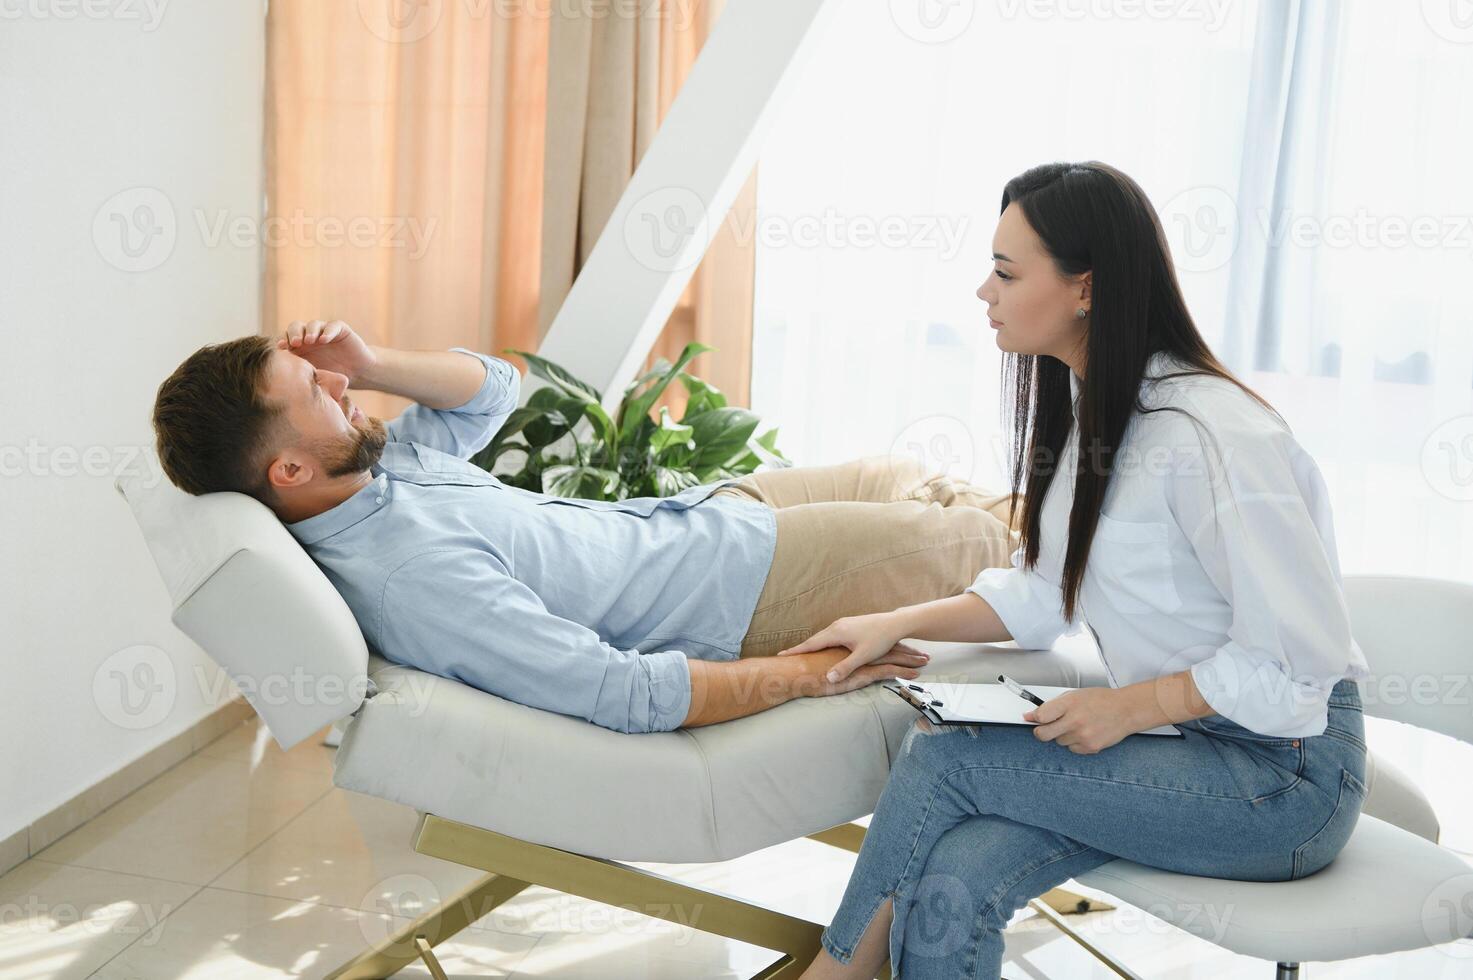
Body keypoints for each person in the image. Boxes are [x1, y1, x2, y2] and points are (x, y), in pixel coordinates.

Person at [792, 161, 1370, 980]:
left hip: (1282, 779)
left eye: (1004, 271)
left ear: (1083, 287)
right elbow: (1038, 594)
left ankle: (833, 974)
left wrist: (1132, 707)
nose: (982, 293)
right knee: (953, 878)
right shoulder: (1092, 417)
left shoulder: (1214, 438)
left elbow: (1297, 662)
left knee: (946, 757)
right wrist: (896, 623)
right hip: (1175, 747)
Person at [150, 320, 1020, 733]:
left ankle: (1126, 547)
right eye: (315, 394)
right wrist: (805, 677)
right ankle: (1145, 604)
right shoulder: (411, 577)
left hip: (708, 520)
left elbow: (494, 388)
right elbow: (619, 691)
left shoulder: (372, 470)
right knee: (993, 544)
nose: (339, 388)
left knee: (913, 477)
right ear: (287, 472)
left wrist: (370, 361)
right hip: (750, 591)